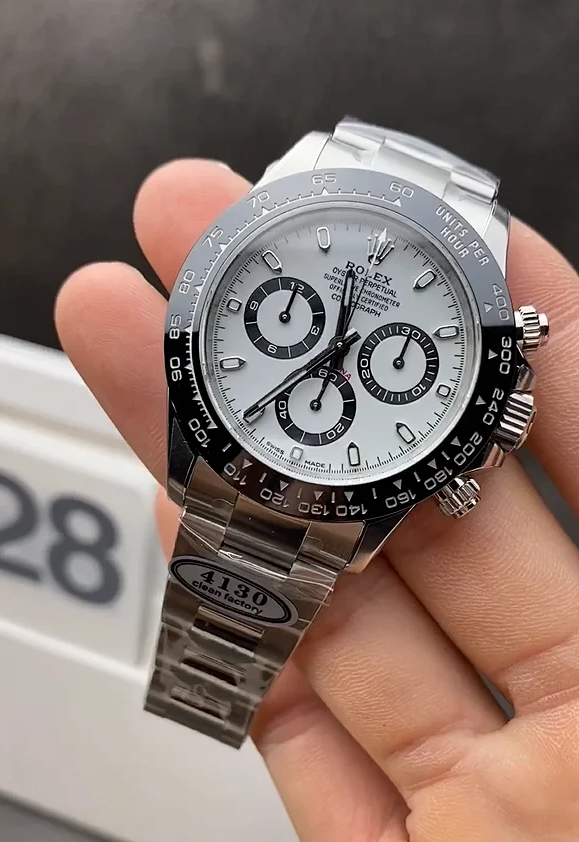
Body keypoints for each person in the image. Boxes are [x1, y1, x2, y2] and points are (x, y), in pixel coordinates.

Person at [55, 159, 579, 841]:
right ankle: (190, 703)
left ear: (488, 409)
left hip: (330, 488)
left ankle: (195, 710)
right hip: (236, 450)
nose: (334, 349)